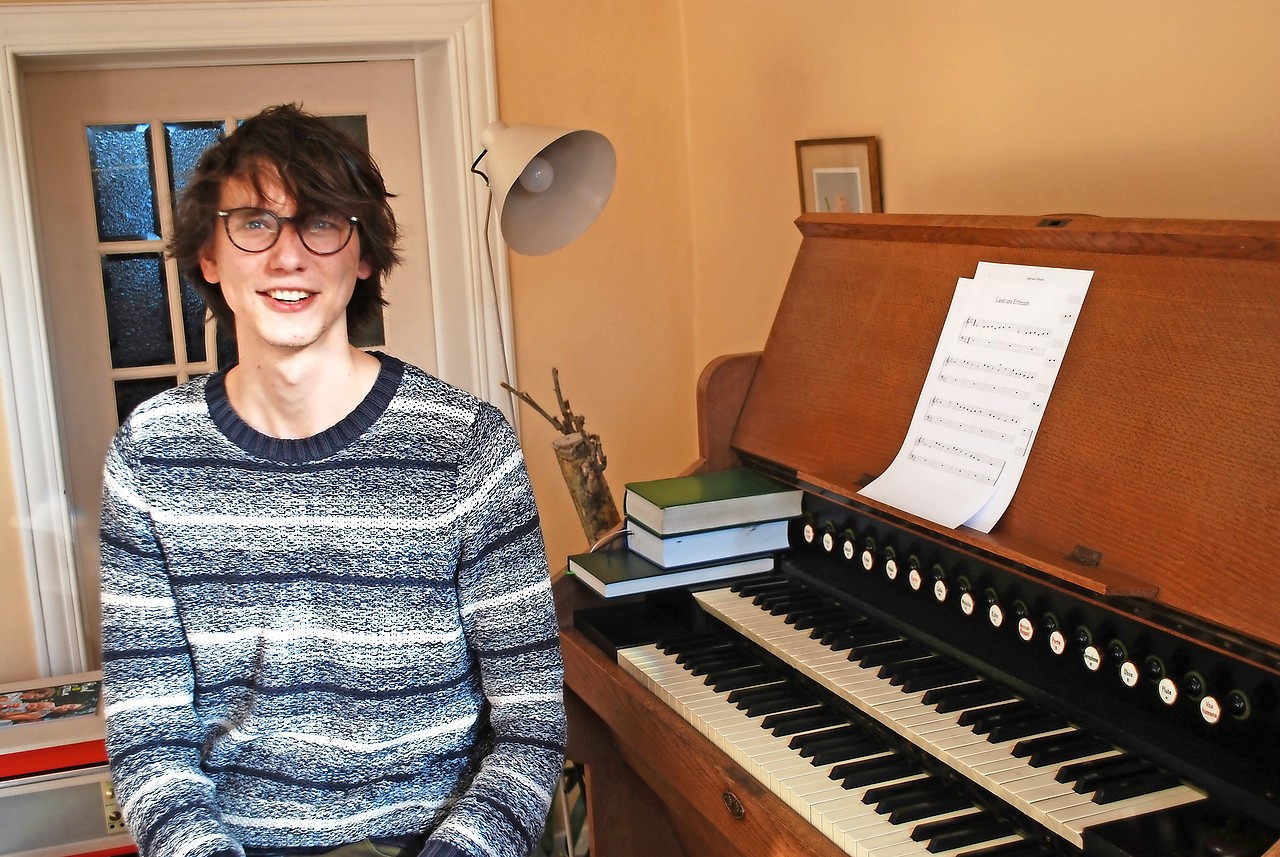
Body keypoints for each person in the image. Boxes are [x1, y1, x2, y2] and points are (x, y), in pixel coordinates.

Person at [99, 104, 565, 857]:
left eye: (321, 223)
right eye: (255, 223)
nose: (289, 257)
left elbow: (532, 723)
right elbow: (148, 739)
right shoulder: (149, 456)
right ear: (209, 256)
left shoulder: (466, 447)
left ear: (364, 256)